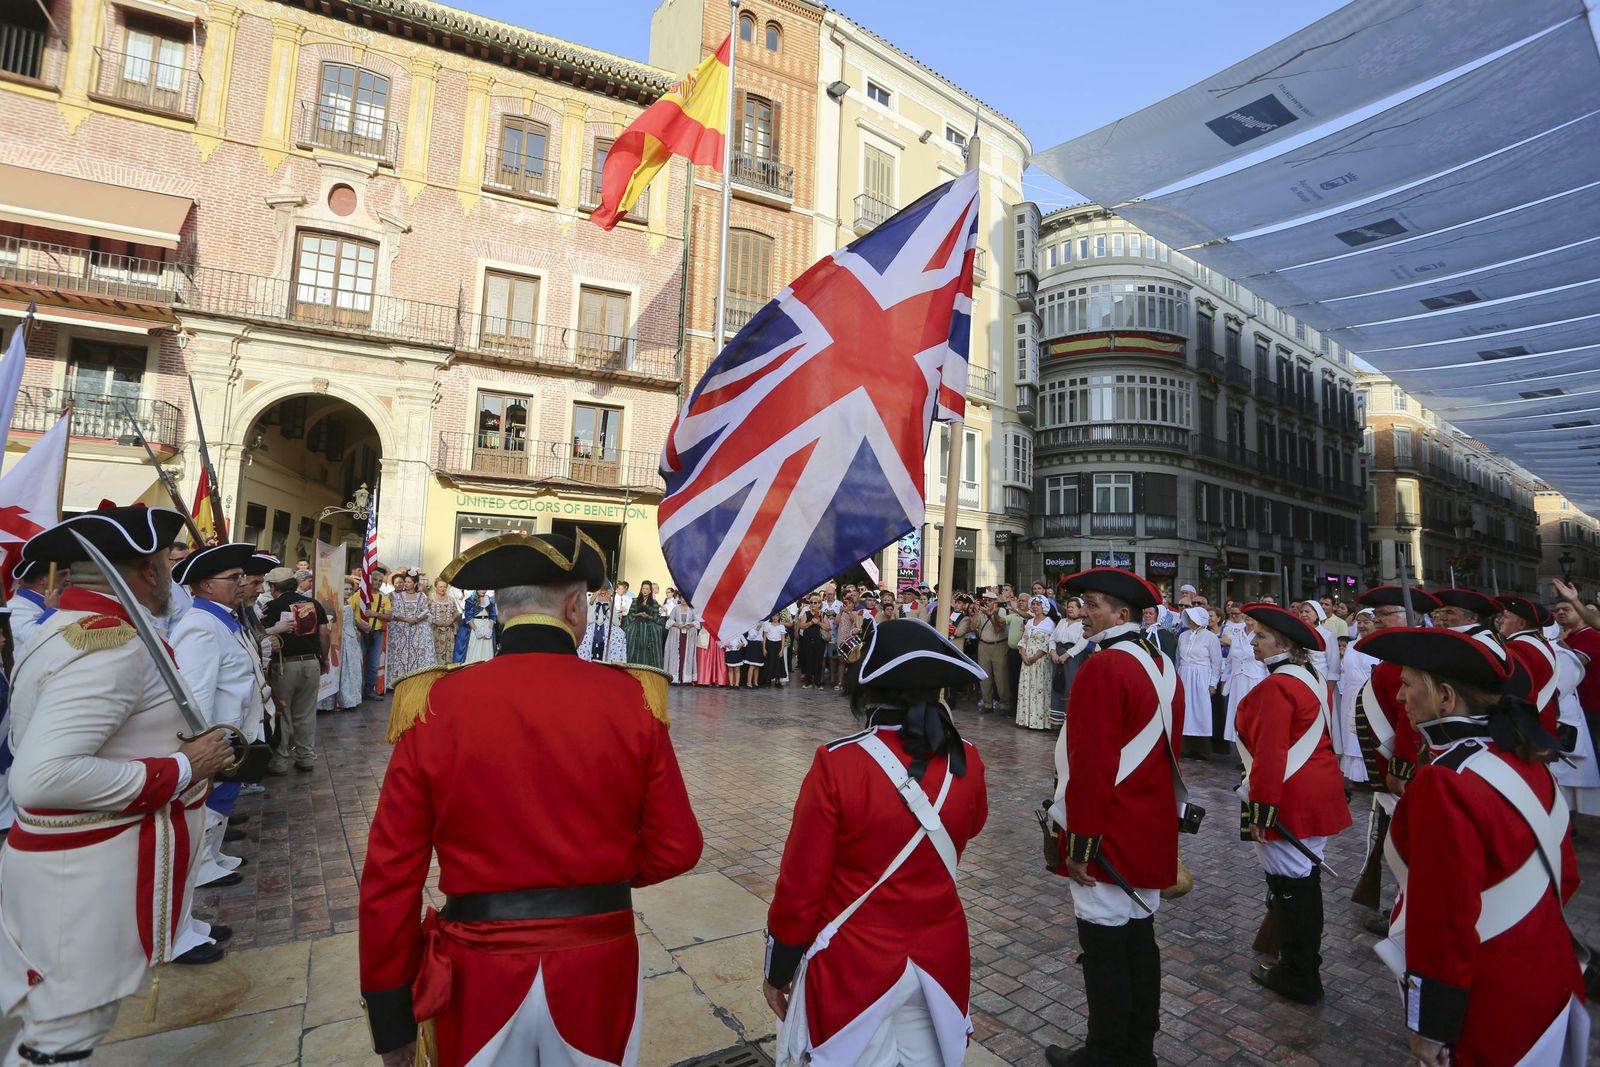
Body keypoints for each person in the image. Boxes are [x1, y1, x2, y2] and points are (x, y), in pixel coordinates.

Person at [359, 531, 702, 1067]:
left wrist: (389, 1010)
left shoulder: (433, 703)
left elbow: (389, 875)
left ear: (501, 611)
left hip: (479, 969)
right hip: (598, 961)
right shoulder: (634, 699)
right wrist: (598, 870)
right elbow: (678, 846)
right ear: (574, 607)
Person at [0, 505, 236, 1063]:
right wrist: (183, 767)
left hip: (73, 870)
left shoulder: (78, 629)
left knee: (42, 1019)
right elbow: (42, 777)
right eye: (165, 563)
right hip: (83, 878)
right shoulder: (111, 646)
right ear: (149, 573)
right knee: (62, 1034)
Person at [1356, 626, 1588, 1066]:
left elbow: (1445, 919)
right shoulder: (1526, 758)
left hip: (1488, 1003)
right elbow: (1566, 877)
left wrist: (1432, 1024)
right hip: (1551, 977)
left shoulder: (1445, 781)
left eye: (1407, 685)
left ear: (1445, 697)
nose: (1400, 698)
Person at [764, 619, 987, 1066]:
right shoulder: (969, 759)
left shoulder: (838, 763)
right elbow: (973, 824)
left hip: (853, 962)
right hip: (940, 959)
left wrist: (780, 968)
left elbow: (801, 885)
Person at [1045, 568, 1187, 1067]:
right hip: (1149, 825)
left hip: (1107, 829)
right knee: (1139, 943)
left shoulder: (1104, 669)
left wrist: (1080, 844)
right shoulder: (1161, 664)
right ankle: (1137, 1049)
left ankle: (1105, 1053)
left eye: (1094, 605)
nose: (1083, 614)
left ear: (1122, 615)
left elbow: (1092, 765)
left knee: (1105, 950)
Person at [1234, 603, 1351, 1004]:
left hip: (1287, 793)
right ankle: (1299, 964)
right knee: (1303, 879)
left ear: (1283, 643)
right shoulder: (1309, 677)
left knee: (1291, 885)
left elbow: (1270, 755)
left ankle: (1299, 973)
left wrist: (1261, 812)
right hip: (1314, 788)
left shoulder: (1276, 686)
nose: (1253, 641)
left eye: (1261, 636)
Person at [172, 542, 272, 899]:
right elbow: (196, 696)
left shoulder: (224, 619)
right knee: (210, 800)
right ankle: (200, 867)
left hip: (238, 730)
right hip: (220, 734)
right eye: (234, 577)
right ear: (206, 585)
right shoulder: (200, 625)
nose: (242, 583)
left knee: (225, 798)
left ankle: (213, 855)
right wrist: (206, 742)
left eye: (242, 576)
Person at [1350, 586, 1440, 936]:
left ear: (1407, 618)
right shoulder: (1393, 659)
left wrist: (1399, 770)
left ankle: (1411, 912)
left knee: (1408, 844)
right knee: (1392, 839)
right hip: (1388, 765)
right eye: (1377, 615)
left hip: (1398, 768)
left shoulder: (1408, 661)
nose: (1376, 620)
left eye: (1385, 613)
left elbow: (1409, 723)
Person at [263, 565, 331, 773]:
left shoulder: (271, 606)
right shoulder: (313, 603)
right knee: (306, 713)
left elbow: (264, 637)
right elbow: (325, 634)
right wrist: (324, 659)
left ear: (274, 587)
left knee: (282, 712)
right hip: (311, 662)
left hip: (284, 664)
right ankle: (305, 757)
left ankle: (281, 760)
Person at [1495, 595, 1560, 738]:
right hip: (1543, 718)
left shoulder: (1517, 647)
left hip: (1529, 725)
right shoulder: (1539, 642)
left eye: (1505, 617)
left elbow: (1515, 690)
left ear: (1522, 624)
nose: (1500, 621)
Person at [1335, 608, 1377, 783]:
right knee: (1351, 734)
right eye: (1359, 622)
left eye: (1366, 622)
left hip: (1370, 695)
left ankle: (1371, 773)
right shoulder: (1351, 645)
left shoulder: (1379, 646)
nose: (1362, 626)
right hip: (1350, 694)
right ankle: (1355, 774)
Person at [1176, 605, 1222, 760]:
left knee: (1200, 710)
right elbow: (1178, 659)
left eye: (1191, 617)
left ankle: (1201, 748)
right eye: (1187, 617)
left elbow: (1216, 662)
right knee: (1185, 709)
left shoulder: (1210, 637)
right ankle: (1184, 746)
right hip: (1185, 674)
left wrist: (1213, 683)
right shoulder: (1183, 636)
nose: (1188, 620)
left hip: (1201, 676)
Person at [386, 569, 435, 680]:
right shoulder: (398, 596)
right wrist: (407, 619)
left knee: (416, 654)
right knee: (400, 654)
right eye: (405, 581)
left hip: (417, 630)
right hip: (401, 629)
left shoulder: (421, 597)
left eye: (408, 582)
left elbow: (426, 611)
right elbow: (393, 613)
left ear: (415, 584)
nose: (406, 584)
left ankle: (415, 679)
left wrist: (417, 618)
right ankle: (399, 679)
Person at [1016, 595, 1056, 730]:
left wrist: (1034, 657)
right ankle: (1026, 720)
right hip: (1026, 660)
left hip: (1040, 662)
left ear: (1043, 606)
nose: (1035, 607)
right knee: (1027, 688)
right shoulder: (1030, 622)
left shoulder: (1049, 623)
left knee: (1039, 689)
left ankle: (1038, 722)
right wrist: (1023, 654)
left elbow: (1047, 643)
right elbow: (1023, 640)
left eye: (1038, 604)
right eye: (1033, 604)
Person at [1049, 596, 1089, 730]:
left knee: (1070, 687)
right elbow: (1052, 638)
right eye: (1068, 606)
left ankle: (1069, 722)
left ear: (1080, 609)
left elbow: (1082, 644)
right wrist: (1053, 652)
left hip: (1073, 657)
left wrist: (1067, 655)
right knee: (1057, 685)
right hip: (1058, 656)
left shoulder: (1083, 624)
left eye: (1073, 607)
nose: (1070, 609)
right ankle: (1057, 721)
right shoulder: (1061, 622)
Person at [5, 559, 63, 651]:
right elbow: (34, 639)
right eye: (62, 575)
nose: (68, 579)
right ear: (42, 580)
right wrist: (51, 610)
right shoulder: (14, 607)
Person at [973, 590, 1011, 714]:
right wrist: (974, 614)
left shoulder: (1001, 611)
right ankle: (987, 703)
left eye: (990, 600)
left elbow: (998, 630)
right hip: (983, 645)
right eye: (986, 600)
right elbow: (974, 627)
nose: (987, 602)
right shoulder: (981, 611)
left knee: (1001, 676)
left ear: (995, 601)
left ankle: (1004, 704)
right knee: (984, 676)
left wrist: (990, 615)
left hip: (998, 645)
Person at [334, 576, 367, 711]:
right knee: (342, 668)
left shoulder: (347, 603)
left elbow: (350, 621)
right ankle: (339, 700)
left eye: (350, 589)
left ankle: (349, 699)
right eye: (345, 589)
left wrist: (356, 628)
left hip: (351, 638)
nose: (348, 591)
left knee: (352, 668)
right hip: (341, 638)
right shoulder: (335, 603)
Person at [360, 564, 393, 701]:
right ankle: (357, 691)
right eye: (375, 580)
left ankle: (369, 691)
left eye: (380, 581)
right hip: (361, 633)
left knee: (373, 664)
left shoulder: (384, 598)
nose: (378, 583)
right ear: (370, 580)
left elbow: (389, 616)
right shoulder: (360, 596)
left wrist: (374, 613)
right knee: (359, 662)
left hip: (377, 633)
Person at [625, 580, 666, 668]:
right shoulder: (635, 600)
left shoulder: (654, 602)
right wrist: (638, 614)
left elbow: (656, 617)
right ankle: (632, 667)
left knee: (653, 638)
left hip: (649, 625)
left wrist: (648, 616)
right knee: (631, 636)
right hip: (637, 624)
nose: (645, 590)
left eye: (647, 589)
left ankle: (650, 668)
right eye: (643, 588)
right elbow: (630, 614)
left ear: (650, 590)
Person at [664, 596, 700, 685]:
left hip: (688, 637)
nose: (683, 600)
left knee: (686, 655)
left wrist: (690, 625)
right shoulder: (676, 609)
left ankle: (685, 679)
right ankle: (675, 678)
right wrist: (676, 625)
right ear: (679, 599)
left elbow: (697, 621)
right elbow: (670, 621)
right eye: (682, 598)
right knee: (676, 655)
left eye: (685, 598)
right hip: (677, 636)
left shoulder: (692, 609)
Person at [796, 594, 827, 688]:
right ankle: (808, 681)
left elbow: (828, 627)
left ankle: (817, 682)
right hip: (808, 639)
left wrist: (819, 623)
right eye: (811, 602)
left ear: (819, 604)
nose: (812, 604)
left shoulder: (822, 614)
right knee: (808, 659)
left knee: (818, 660)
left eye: (815, 603)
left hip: (819, 640)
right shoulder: (807, 613)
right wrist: (811, 622)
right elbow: (801, 625)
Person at [427, 578, 460, 665]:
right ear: (436, 587)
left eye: (445, 587)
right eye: (440, 587)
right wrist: (435, 621)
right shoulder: (430, 598)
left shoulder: (451, 599)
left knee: (449, 653)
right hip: (435, 631)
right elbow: (425, 613)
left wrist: (451, 620)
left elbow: (456, 613)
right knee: (435, 652)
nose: (443, 589)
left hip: (448, 631)